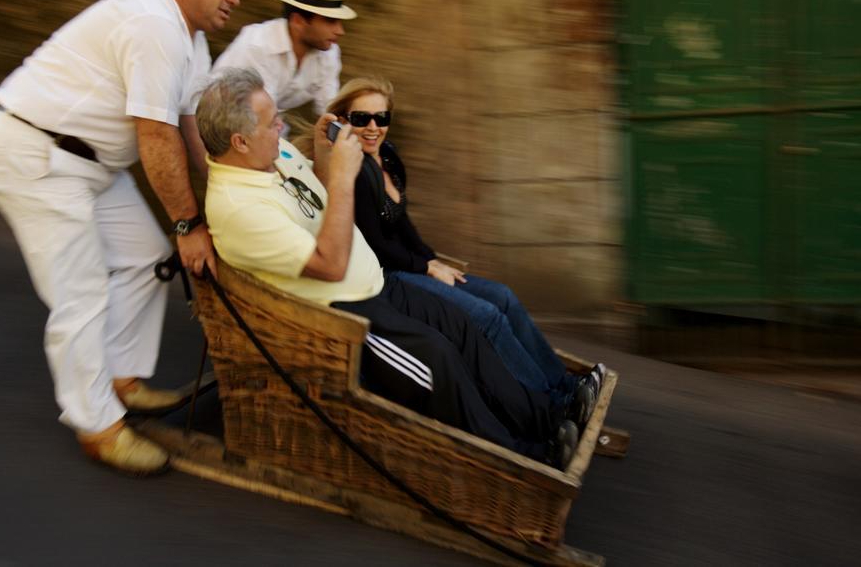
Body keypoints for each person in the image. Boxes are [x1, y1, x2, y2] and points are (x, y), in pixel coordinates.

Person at [0, 0, 251, 475]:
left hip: (93, 164)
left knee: (149, 261)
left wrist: (239, 188)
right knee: (80, 292)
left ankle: (120, 378)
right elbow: (155, 136)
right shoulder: (152, 25)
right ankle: (96, 424)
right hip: (37, 156)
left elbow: (190, 124)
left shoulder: (189, 37)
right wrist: (188, 224)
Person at [197, 67, 580, 469]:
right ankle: (524, 462)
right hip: (345, 317)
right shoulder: (238, 208)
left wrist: (325, 158)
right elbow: (329, 265)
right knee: (440, 363)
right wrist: (345, 175)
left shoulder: (278, 154)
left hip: (376, 283)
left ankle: (547, 422)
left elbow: (326, 201)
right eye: (271, 122)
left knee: (464, 328)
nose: (282, 125)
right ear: (240, 142)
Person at [327, 76, 606, 423]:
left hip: (411, 263)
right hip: (387, 275)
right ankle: (550, 402)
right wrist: (425, 267)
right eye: (360, 119)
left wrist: (431, 258)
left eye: (381, 118)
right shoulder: (352, 170)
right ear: (343, 121)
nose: (373, 128)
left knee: (503, 296)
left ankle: (564, 384)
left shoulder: (389, 157)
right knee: (486, 316)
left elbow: (403, 223)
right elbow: (377, 245)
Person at [211, 0, 355, 118]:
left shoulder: (329, 53)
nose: (340, 31)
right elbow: (262, 117)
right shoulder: (258, 47)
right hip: (215, 122)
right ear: (298, 21)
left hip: (263, 126)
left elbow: (331, 110)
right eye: (330, 21)